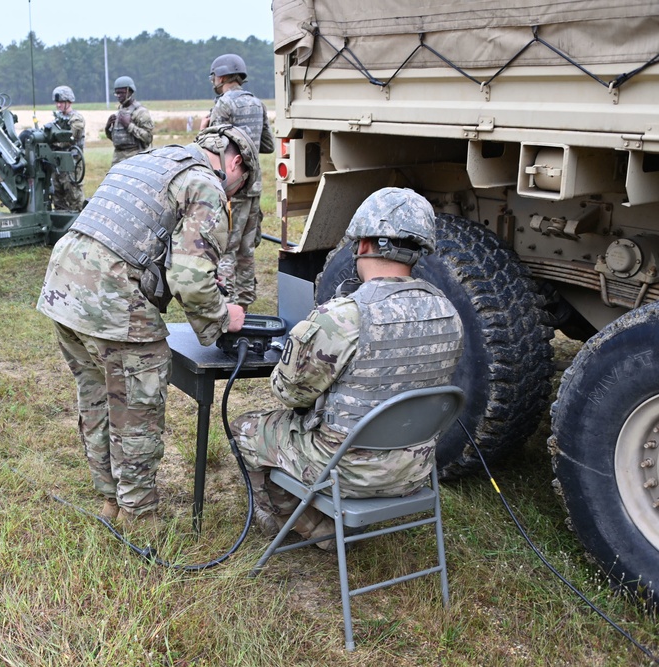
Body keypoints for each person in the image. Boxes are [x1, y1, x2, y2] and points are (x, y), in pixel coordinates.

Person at [36, 125, 260, 528]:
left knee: (98, 398)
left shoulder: (151, 160)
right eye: (238, 188)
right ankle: (139, 518)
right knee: (135, 408)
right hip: (110, 295)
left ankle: (111, 501)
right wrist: (224, 317)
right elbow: (191, 280)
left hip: (63, 284)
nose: (232, 196)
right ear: (236, 164)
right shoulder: (205, 184)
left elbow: (149, 241)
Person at [230, 187, 464, 547]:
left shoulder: (344, 316)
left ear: (364, 245)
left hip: (346, 470)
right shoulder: (448, 312)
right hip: (414, 469)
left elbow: (287, 393)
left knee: (248, 427)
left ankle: (309, 526)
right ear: (419, 249)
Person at [200, 54, 275, 310]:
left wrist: (203, 130)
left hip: (232, 187)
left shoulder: (223, 105)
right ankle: (244, 303)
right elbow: (268, 145)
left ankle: (226, 303)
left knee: (227, 248)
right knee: (247, 249)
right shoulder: (257, 103)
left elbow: (213, 148)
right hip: (253, 187)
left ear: (220, 77)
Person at [48, 85, 86, 211]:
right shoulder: (57, 119)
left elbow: (71, 138)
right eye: (57, 102)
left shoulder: (76, 119)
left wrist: (52, 140)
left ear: (68, 102)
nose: (58, 105)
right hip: (58, 164)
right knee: (57, 196)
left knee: (74, 196)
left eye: (61, 102)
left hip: (72, 164)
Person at [104, 76, 154, 166]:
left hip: (136, 157)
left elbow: (148, 138)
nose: (119, 96)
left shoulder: (140, 112)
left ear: (130, 91)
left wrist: (129, 125)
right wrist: (108, 128)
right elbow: (118, 139)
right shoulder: (119, 111)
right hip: (117, 158)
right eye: (117, 93)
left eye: (122, 93)